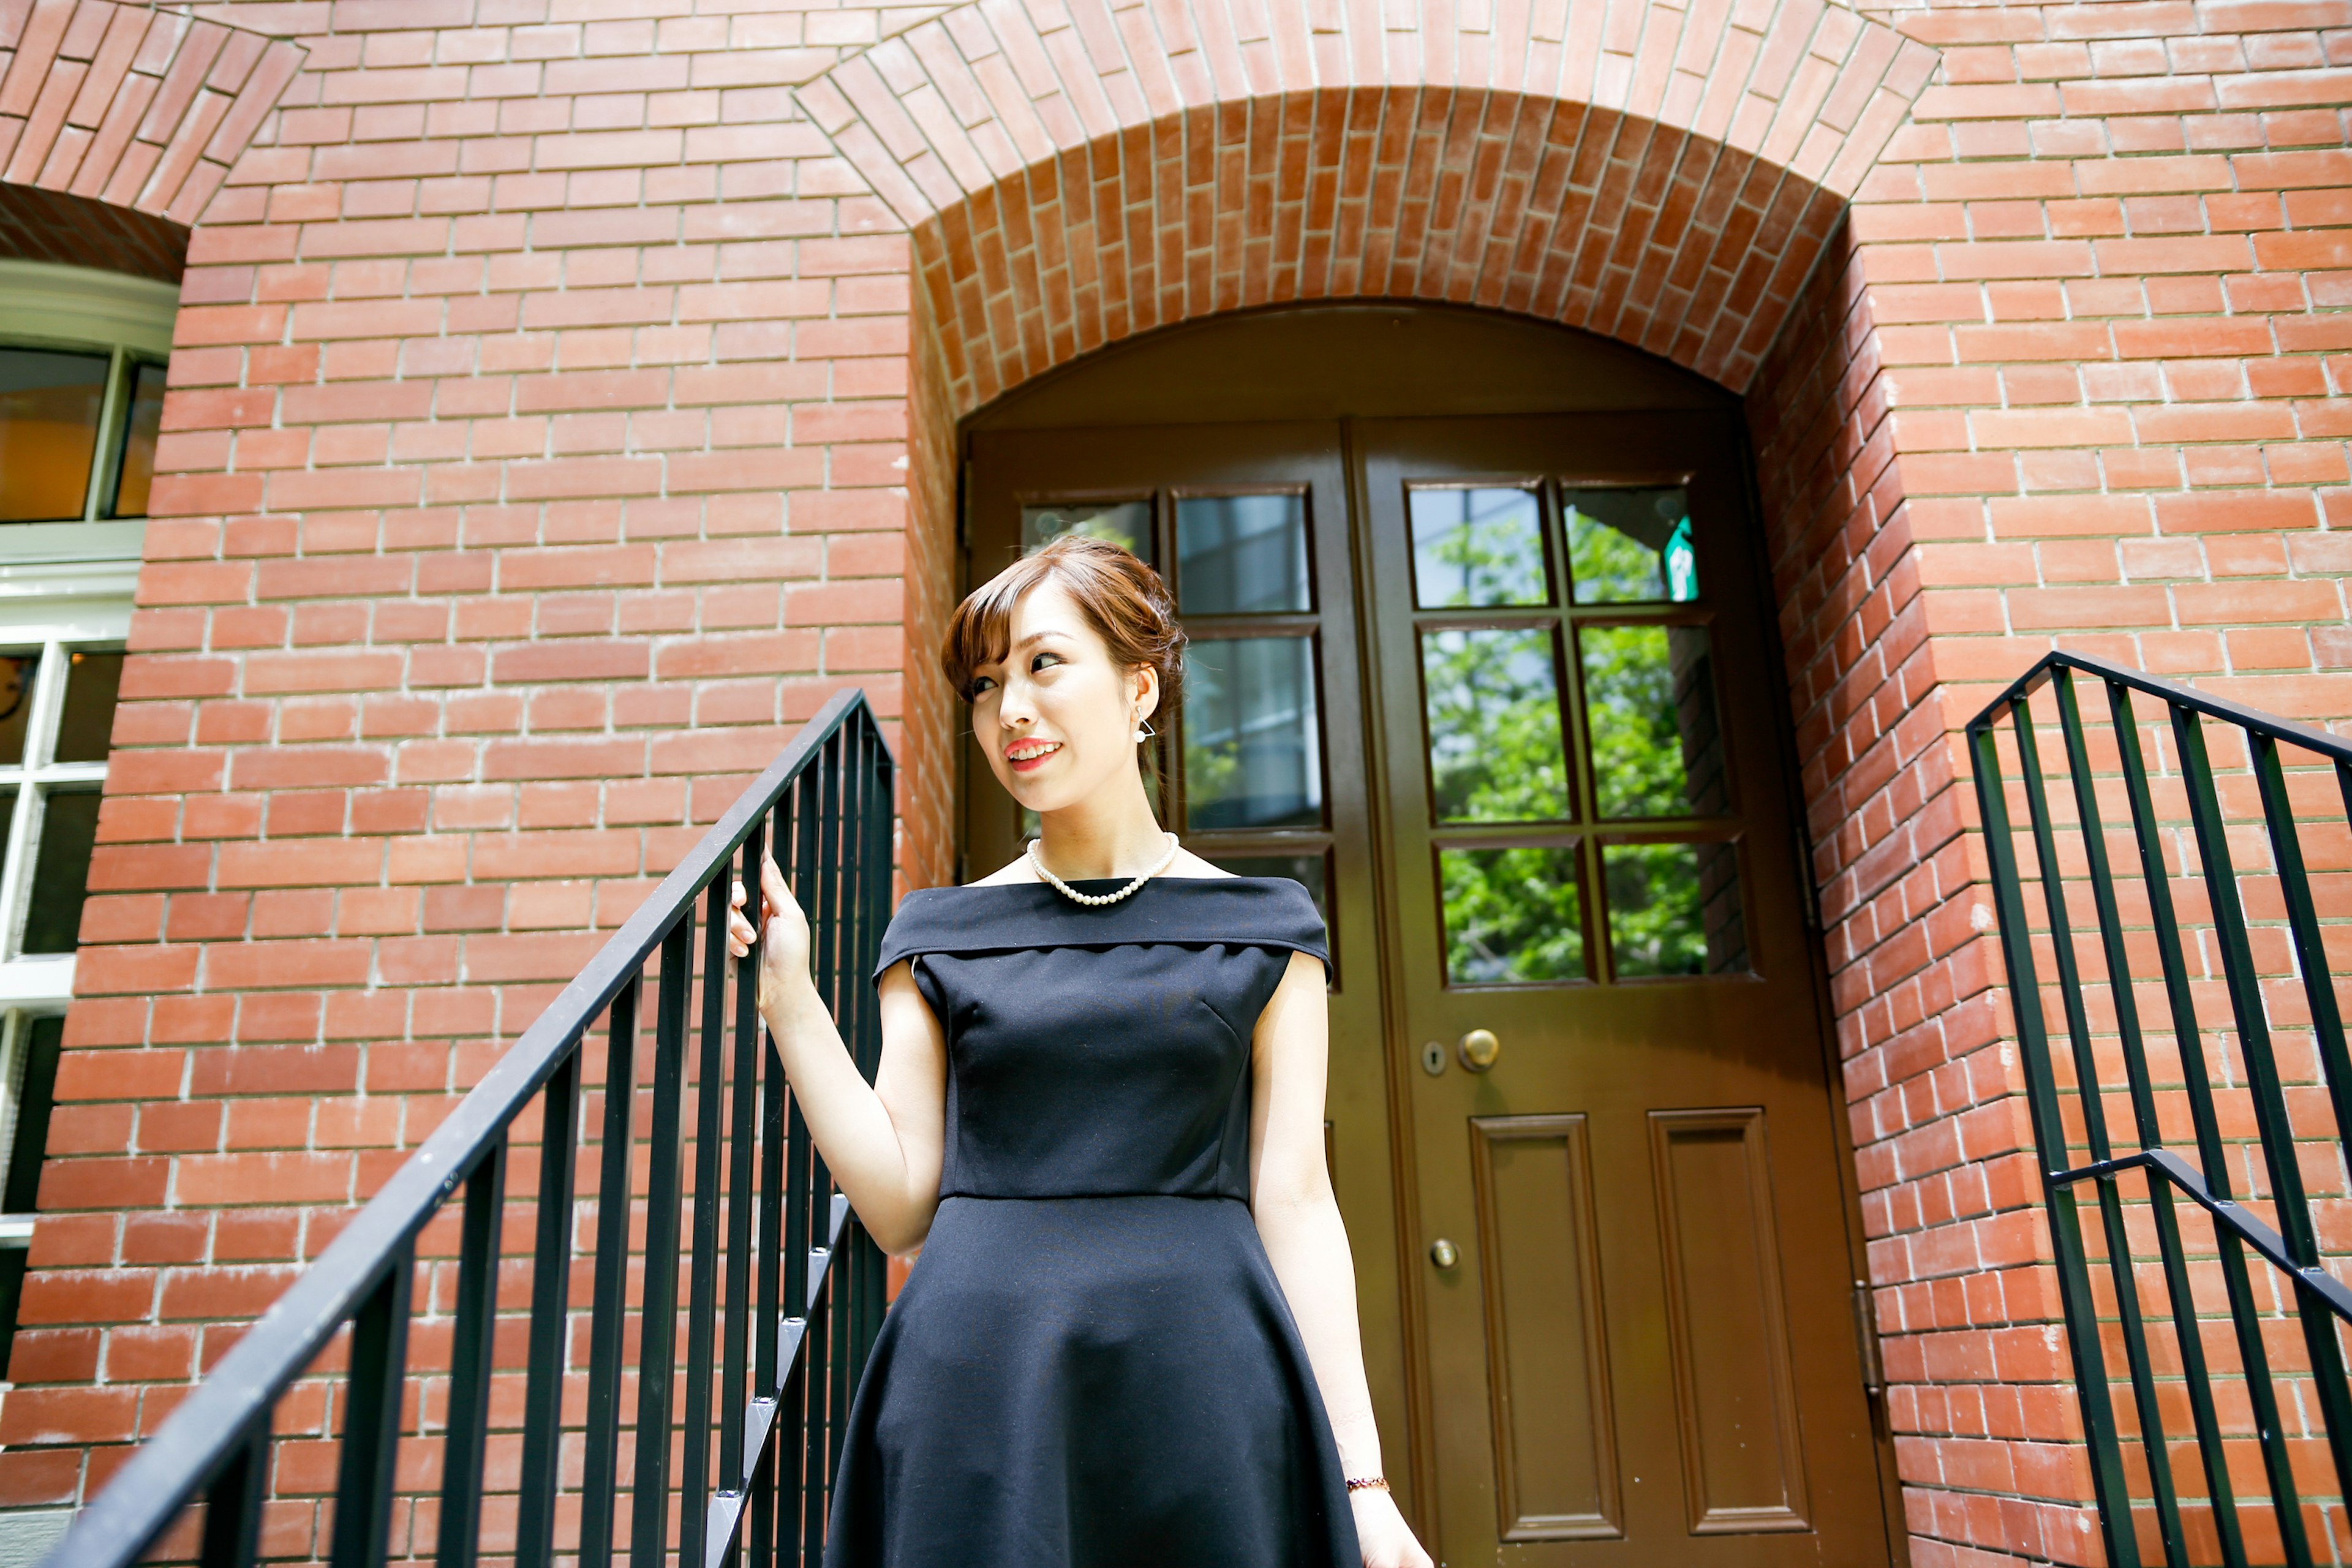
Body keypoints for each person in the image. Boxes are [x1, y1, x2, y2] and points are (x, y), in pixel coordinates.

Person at [727, 533, 1434, 1568]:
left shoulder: (1265, 931)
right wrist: (791, 998)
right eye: (984, 684)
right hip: (977, 1390)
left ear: (1140, 688)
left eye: (1043, 664)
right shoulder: (937, 935)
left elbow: (1297, 1204)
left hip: (1207, 1385)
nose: (1009, 708)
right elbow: (899, 1207)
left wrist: (1363, 1484)